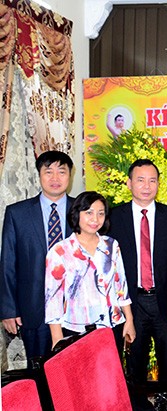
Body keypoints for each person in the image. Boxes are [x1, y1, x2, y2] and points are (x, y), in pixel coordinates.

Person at [108, 159, 167, 411]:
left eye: (152, 180)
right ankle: (137, 405)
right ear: (129, 183)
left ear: (158, 184)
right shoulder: (114, 216)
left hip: (163, 300)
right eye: (140, 180)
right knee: (135, 361)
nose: (146, 186)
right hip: (131, 304)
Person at [0, 150, 74, 362]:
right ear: (39, 175)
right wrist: (8, 310)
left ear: (70, 175)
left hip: (75, 309)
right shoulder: (18, 213)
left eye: (61, 172)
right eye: (48, 172)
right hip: (34, 309)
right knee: (39, 371)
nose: (55, 178)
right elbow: (8, 263)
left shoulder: (83, 211)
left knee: (73, 372)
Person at [44, 191, 135, 353]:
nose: (95, 219)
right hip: (77, 330)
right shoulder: (59, 251)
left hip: (111, 326)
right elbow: (53, 300)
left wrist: (129, 319)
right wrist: (57, 339)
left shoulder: (111, 245)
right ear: (77, 214)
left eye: (101, 214)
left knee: (111, 377)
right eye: (89, 213)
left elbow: (120, 286)